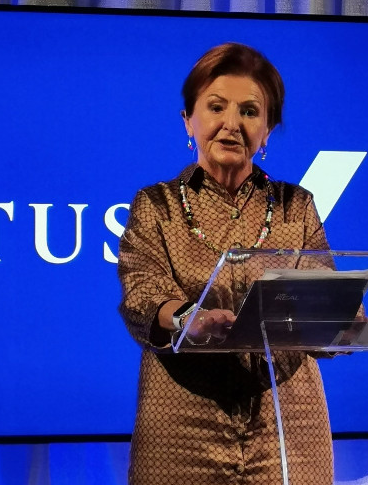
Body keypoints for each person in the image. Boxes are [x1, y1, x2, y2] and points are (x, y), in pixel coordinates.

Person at [117, 42, 336, 484]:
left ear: (268, 130)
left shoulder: (297, 207)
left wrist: (342, 317)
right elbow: (141, 292)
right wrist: (187, 319)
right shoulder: (156, 206)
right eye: (216, 107)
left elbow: (322, 291)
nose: (232, 124)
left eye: (251, 112)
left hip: (287, 422)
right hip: (182, 423)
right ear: (189, 120)